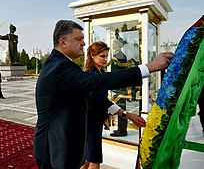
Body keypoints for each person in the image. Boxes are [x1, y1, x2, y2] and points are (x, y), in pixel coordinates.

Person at [33, 20, 173, 169]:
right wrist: (149, 67)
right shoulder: (60, 67)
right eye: (78, 39)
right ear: (63, 42)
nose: (83, 43)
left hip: (63, 143)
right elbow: (99, 83)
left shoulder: (60, 64)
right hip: (56, 147)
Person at [81, 41, 146, 169]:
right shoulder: (91, 74)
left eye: (106, 56)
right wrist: (125, 114)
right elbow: (100, 100)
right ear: (92, 56)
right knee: (95, 158)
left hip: (93, 120)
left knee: (88, 158)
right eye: (102, 56)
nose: (105, 59)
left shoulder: (99, 72)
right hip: (91, 120)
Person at [110, 38, 129, 137]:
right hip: (120, 85)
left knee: (121, 108)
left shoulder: (119, 55)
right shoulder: (119, 54)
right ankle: (121, 128)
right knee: (120, 107)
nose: (112, 45)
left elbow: (116, 72)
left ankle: (122, 130)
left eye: (114, 43)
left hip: (119, 86)